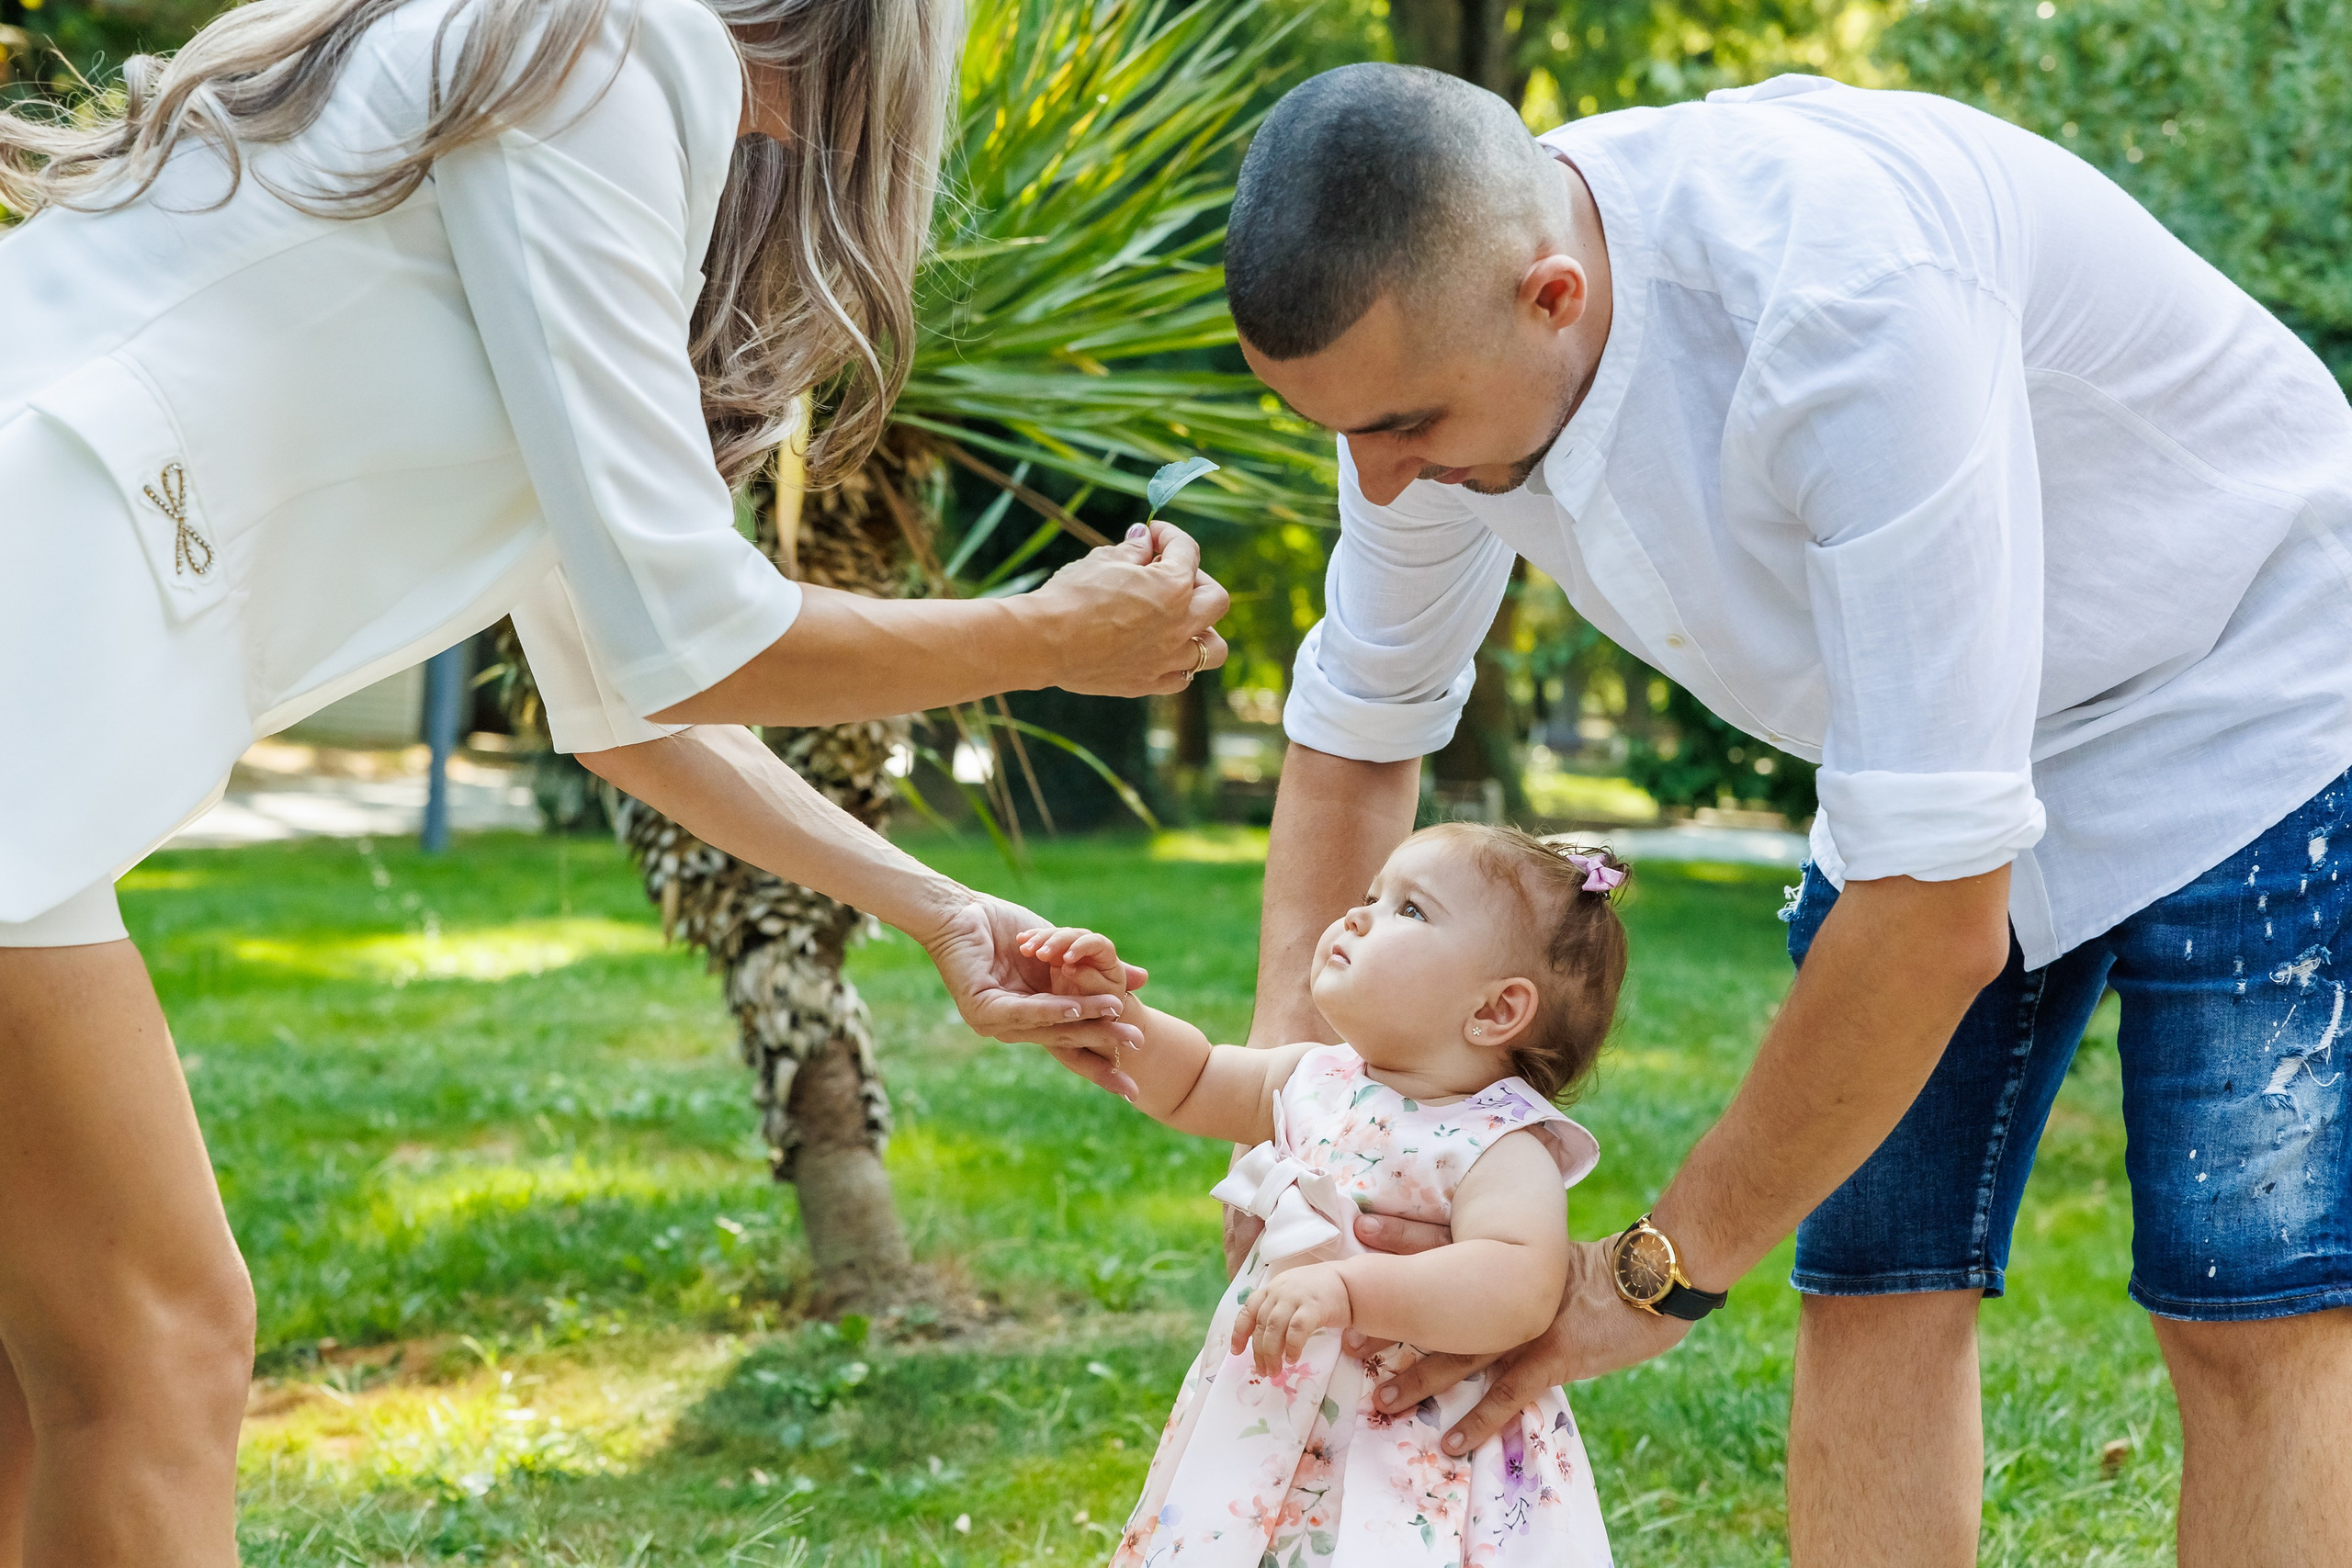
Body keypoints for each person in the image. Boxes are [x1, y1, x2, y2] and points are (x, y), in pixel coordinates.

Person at [0, 0, 1219, 1558]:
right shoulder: (613, 46)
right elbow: (689, 629)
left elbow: (632, 691)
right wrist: (1043, 634)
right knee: (158, 1345)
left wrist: (942, 910)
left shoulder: (558, 77)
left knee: (54, 1380)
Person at [1215, 62, 2352, 1568]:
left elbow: (1937, 913)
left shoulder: (1843, 299)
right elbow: (1359, 731)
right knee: (1876, 1269)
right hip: (1938, 733)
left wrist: (1654, 1270)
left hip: (2251, 676)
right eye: (1339, 427)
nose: (1379, 475)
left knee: (2248, 1301)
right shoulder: (1428, 355)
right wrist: (1302, 1136)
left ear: (1553, 295)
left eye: (1405, 423)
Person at [1018, 825, 1627, 1567]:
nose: (1358, 915)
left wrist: (1349, 1286)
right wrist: (1117, 1016)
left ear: (1497, 1010)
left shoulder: (1501, 1143)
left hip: (1414, 1446)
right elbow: (1198, 1078)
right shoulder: (1315, 1077)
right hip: (1275, 1408)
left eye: (1411, 910)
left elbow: (1520, 1285)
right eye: (1372, 893)